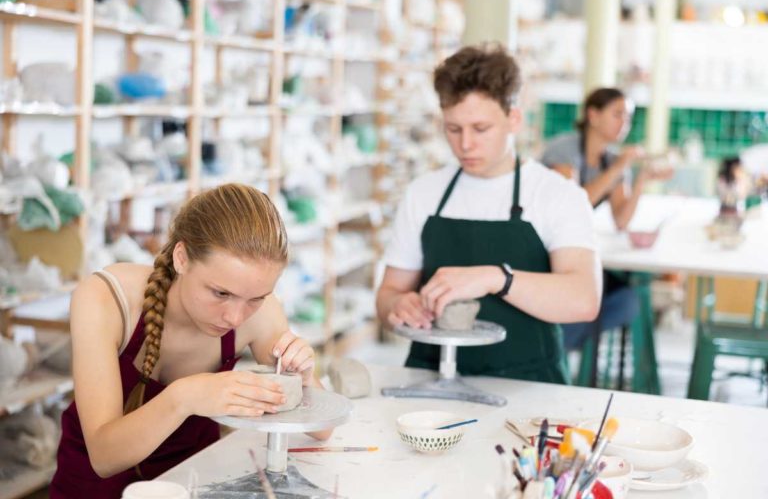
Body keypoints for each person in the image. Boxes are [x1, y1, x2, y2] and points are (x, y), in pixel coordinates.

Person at [51, 184, 329, 497]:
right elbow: (104, 457)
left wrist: (304, 377)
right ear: (182, 258)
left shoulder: (262, 313)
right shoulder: (105, 298)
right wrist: (184, 397)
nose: (235, 318)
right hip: (93, 488)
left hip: (193, 482)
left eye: (256, 298)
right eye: (221, 293)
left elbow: (322, 429)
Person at [375, 44, 601, 384]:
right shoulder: (424, 193)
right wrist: (397, 307)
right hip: (429, 379)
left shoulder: (556, 195)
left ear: (514, 119)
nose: (465, 144)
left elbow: (583, 300)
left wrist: (498, 278)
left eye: (480, 129)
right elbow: (387, 294)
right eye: (453, 129)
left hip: (529, 387)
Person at [540, 88, 671, 357]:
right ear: (593, 115)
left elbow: (621, 220)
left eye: (629, 117)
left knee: (631, 298)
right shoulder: (563, 151)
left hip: (571, 251)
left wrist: (641, 180)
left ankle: (564, 344)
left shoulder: (612, 160)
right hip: (544, 253)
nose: (624, 123)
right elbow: (573, 205)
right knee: (618, 299)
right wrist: (618, 169)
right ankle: (557, 345)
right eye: (617, 114)